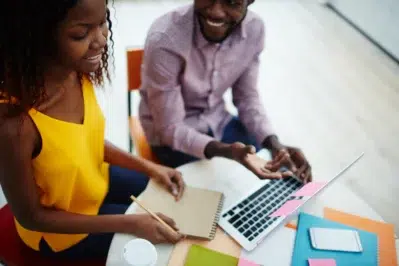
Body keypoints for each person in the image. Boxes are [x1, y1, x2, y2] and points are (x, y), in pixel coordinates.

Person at [0, 0, 185, 261]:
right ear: (36, 38)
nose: (100, 40)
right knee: (163, 249)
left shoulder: (75, 70)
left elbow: (85, 141)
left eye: (103, 23)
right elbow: (32, 217)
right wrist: (131, 223)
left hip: (95, 183)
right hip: (60, 234)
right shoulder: (13, 125)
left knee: (170, 201)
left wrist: (150, 167)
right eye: (80, 34)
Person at [139, 0, 313, 182]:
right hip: (171, 140)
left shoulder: (254, 29)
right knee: (222, 192)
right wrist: (227, 152)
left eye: (232, 2)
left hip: (219, 122)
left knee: (277, 177)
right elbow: (169, 128)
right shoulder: (165, 38)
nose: (216, 13)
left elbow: (247, 98)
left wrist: (274, 144)